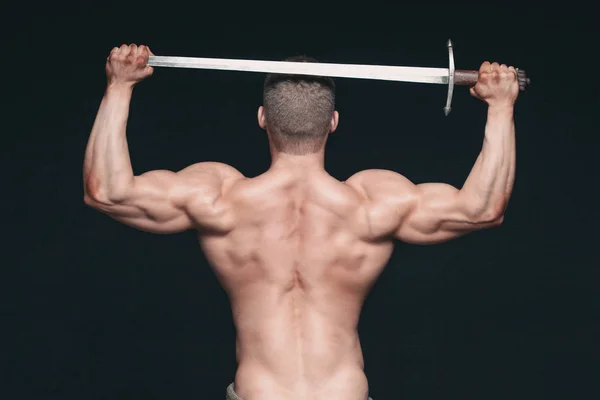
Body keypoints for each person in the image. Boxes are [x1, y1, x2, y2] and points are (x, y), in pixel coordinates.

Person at [83, 43, 519, 400]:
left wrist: (119, 86)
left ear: (261, 119)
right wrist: (500, 107)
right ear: (333, 122)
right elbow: (481, 208)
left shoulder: (221, 199)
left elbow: (106, 191)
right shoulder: (372, 203)